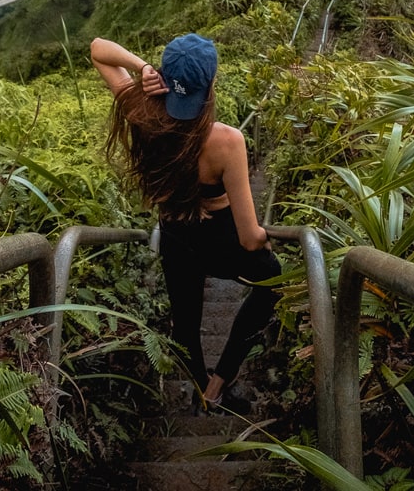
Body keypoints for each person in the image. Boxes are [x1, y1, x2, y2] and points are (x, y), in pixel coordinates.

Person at [90, 33, 281, 412]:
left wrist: (141, 67)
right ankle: (220, 382)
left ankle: (198, 390)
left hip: (176, 236)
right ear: (211, 84)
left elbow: (98, 49)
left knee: (186, 320)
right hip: (223, 235)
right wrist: (266, 239)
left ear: (163, 76)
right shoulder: (226, 140)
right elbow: (248, 238)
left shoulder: (142, 113)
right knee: (272, 285)